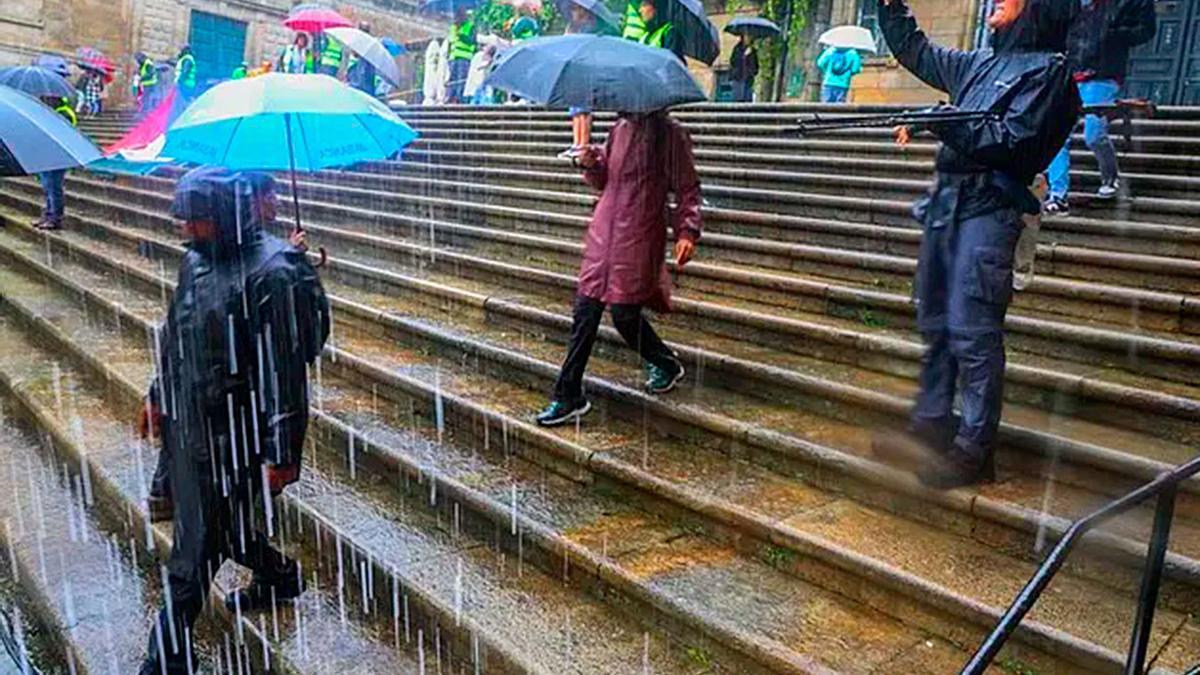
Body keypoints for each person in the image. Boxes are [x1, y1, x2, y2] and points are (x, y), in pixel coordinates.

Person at [870, 0, 1080, 489]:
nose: (992, 4)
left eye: (1007, 0)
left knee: (972, 329)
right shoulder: (978, 63)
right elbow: (915, 50)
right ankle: (933, 425)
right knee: (938, 320)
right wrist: (887, 8)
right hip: (950, 204)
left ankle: (973, 449)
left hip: (992, 209)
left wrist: (941, 120)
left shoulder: (1050, 73)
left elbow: (1012, 141)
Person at [137, 167, 329, 674]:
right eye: (181, 219)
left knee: (191, 557)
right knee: (228, 532)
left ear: (222, 216)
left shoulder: (276, 271)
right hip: (192, 424)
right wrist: (157, 394)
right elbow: (176, 332)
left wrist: (283, 450)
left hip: (240, 433)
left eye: (195, 220)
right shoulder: (196, 263)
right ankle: (280, 576)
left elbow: (285, 370)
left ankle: (165, 664)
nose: (185, 229)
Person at [536, 110, 702, 427]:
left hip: (639, 232)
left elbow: (688, 188)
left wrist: (687, 231)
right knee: (585, 312)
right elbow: (606, 180)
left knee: (625, 314)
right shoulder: (620, 127)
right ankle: (568, 394)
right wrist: (592, 164)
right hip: (604, 232)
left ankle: (665, 362)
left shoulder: (670, 133)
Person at [1043, 0, 1156, 216]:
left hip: (1103, 75)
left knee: (1093, 134)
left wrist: (1113, 35)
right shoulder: (1073, 7)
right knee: (1058, 137)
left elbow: (1146, 30)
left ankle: (1110, 177)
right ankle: (1058, 195)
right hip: (1071, 73)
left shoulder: (1123, 5)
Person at [560, 4, 606, 157]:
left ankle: (583, 144)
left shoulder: (591, 30)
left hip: (585, 73)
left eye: (575, 9)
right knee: (575, 111)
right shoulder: (576, 28)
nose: (573, 13)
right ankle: (576, 143)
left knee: (583, 111)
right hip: (575, 73)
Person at [31, 97, 77, 231]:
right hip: (46, 154)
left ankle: (56, 218)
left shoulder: (64, 113)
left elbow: (60, 134)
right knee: (47, 187)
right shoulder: (48, 112)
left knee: (54, 187)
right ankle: (47, 215)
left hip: (58, 156)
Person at [447, 7, 478, 103]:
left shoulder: (470, 26)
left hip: (464, 57)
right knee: (452, 79)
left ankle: (460, 99)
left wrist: (462, 36)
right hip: (453, 58)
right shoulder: (452, 27)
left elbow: (473, 41)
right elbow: (450, 42)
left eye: (459, 16)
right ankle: (450, 98)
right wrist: (448, 56)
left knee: (461, 79)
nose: (456, 18)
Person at [730, 34, 758, 103]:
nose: (748, 39)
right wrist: (744, 56)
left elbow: (755, 65)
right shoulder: (737, 49)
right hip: (738, 78)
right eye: (747, 37)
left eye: (749, 37)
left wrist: (752, 72)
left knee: (748, 100)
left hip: (748, 79)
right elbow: (733, 62)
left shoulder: (753, 51)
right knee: (737, 100)